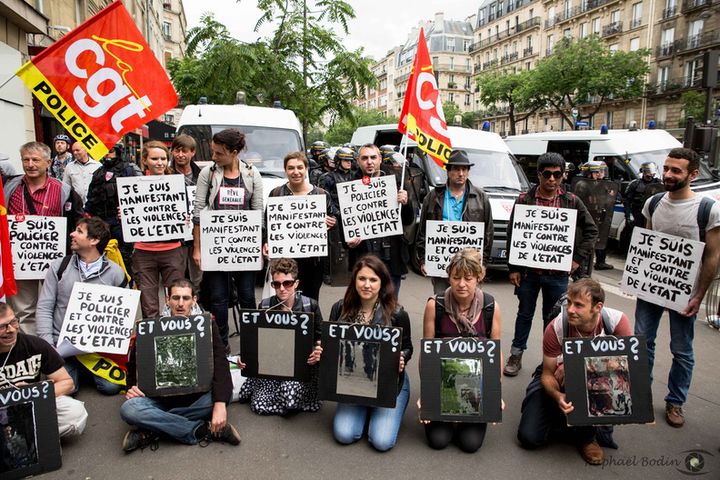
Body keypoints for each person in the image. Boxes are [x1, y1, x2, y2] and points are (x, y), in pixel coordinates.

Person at [634, 147, 720, 428]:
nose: (667, 174)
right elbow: (646, 244)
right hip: (650, 290)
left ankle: (675, 402)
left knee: (682, 350)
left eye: (676, 170)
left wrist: (699, 295)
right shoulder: (654, 202)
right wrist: (635, 277)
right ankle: (641, 395)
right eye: (666, 168)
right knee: (642, 343)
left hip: (685, 294)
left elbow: (712, 257)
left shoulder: (708, 209)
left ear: (693, 175)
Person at [517, 279, 632, 465]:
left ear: (597, 307)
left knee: (582, 375)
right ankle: (564, 417)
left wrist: (582, 367)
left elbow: (628, 368)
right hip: (558, 378)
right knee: (529, 437)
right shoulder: (557, 327)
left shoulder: (617, 322)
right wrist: (557, 395)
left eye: (579, 305)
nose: (570, 309)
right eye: (569, 302)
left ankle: (587, 437)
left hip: (600, 380)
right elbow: (547, 373)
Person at [504, 152, 598, 377]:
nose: (553, 180)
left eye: (558, 175)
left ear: (563, 175)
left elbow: (591, 231)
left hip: (557, 274)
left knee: (553, 318)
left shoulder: (571, 201)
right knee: (524, 314)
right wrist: (513, 268)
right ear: (539, 174)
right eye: (547, 174)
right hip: (529, 273)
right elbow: (512, 233)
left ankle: (551, 361)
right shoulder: (524, 199)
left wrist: (576, 259)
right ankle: (516, 355)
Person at [120, 279, 241, 452]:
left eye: (186, 298)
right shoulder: (150, 327)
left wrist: (220, 405)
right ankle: (201, 430)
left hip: (197, 399)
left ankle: (152, 428)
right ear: (168, 299)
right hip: (160, 400)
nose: (181, 304)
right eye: (176, 298)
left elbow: (221, 364)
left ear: (194, 300)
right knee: (129, 409)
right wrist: (132, 388)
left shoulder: (207, 325)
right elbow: (135, 364)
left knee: (223, 397)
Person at [325, 255, 413, 452]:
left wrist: (402, 358)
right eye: (362, 278)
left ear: (382, 283)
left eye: (373, 280)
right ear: (354, 280)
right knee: (344, 434)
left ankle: (384, 410)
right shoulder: (340, 308)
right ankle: (363, 411)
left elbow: (408, 346)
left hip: (388, 385)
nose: (367, 285)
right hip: (353, 384)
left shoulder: (397, 313)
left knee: (381, 442)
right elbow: (331, 345)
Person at [420, 248, 502, 453]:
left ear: (479, 277)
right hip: (443, 385)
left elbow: (495, 351)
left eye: (468, 278)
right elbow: (426, 351)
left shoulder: (491, 307)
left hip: (476, 388)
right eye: (456, 278)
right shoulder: (435, 305)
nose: (462, 284)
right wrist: (427, 393)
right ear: (449, 278)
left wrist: (494, 392)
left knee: (470, 444)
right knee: (438, 441)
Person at [36, 217, 127, 394]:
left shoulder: (116, 273)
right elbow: (44, 307)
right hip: (60, 346)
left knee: (111, 387)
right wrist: (49, 347)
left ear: (94, 241)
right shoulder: (59, 266)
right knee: (68, 389)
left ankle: (83, 371)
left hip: (96, 350)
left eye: (79, 231)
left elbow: (123, 317)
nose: (72, 234)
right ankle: (75, 371)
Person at [4, 141, 84, 335]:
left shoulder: (64, 191)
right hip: (20, 261)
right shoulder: (9, 187)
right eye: (26, 160)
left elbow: (78, 221)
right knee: (23, 310)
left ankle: (55, 348)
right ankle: (31, 350)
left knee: (57, 305)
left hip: (55, 260)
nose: (30, 164)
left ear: (48, 163)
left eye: (36, 160)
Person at [192, 128, 263, 346]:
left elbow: (258, 212)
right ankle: (221, 345)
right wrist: (197, 248)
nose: (214, 157)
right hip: (216, 247)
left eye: (218, 153)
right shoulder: (209, 173)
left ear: (234, 152)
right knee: (218, 298)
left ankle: (250, 344)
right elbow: (198, 211)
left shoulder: (252, 174)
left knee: (247, 297)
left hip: (244, 248)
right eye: (213, 152)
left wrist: (257, 246)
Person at [238, 258, 323, 415]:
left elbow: (320, 336)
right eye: (276, 284)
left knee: (289, 396)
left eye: (287, 283)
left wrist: (317, 350)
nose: (282, 288)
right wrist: (245, 358)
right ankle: (292, 401)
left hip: (300, 368)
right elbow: (254, 340)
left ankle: (284, 398)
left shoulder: (309, 305)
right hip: (272, 366)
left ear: (296, 283)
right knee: (258, 406)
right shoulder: (264, 306)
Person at [0, 302, 88, 439]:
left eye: (13, 322)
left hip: (31, 406)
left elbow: (67, 382)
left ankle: (27, 438)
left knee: (75, 413)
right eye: (2, 327)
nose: (11, 329)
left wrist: (34, 392)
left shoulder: (34, 345)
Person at [416, 149, 494, 294]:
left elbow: (488, 233)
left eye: (464, 169)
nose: (461, 173)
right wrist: (423, 259)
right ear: (448, 171)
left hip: (469, 264)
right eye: (456, 169)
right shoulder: (432, 197)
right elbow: (423, 232)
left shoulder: (481, 198)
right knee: (441, 301)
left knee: (466, 304)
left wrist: (483, 263)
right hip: (440, 263)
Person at [263, 152, 337, 301]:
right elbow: (267, 222)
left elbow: (334, 218)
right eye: (291, 168)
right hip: (284, 260)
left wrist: (332, 222)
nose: (295, 172)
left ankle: (311, 324)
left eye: (299, 167)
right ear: (285, 170)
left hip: (313, 262)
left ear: (306, 169)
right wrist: (266, 242)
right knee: (285, 299)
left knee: (310, 299)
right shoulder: (276, 193)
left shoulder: (321, 194)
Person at [346, 144, 414, 295]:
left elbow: (409, 220)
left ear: (380, 159)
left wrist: (406, 202)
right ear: (358, 161)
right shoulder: (349, 188)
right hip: (363, 258)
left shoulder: (396, 184)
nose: (369, 162)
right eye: (364, 158)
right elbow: (344, 223)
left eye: (373, 157)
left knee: (389, 307)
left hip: (391, 259)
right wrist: (349, 241)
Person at [132, 141, 186, 318]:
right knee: (149, 303)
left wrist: (184, 217)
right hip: (143, 251)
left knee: (177, 299)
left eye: (163, 158)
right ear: (145, 161)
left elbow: (186, 210)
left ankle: (176, 336)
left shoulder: (177, 184)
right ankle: (153, 340)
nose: (160, 162)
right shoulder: (133, 186)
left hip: (171, 250)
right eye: (154, 158)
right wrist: (125, 214)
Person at [84, 144, 142, 279]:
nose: (107, 155)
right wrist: (87, 216)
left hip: (120, 222)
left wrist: (130, 212)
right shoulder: (99, 172)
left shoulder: (129, 169)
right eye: (105, 152)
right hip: (101, 222)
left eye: (110, 152)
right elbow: (91, 197)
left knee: (124, 257)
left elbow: (140, 195)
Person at [169, 134, 203, 294]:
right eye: (176, 150)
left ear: (193, 152)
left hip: (198, 235)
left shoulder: (203, 176)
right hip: (176, 237)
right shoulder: (166, 175)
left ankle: (197, 309)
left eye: (184, 151)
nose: (180, 155)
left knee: (198, 278)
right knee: (176, 277)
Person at [622, 161, 662, 233]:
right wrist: (628, 216)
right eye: (648, 172)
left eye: (651, 172)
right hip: (637, 214)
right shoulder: (635, 184)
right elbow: (627, 201)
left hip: (652, 215)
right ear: (643, 172)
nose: (650, 175)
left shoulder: (659, 184)